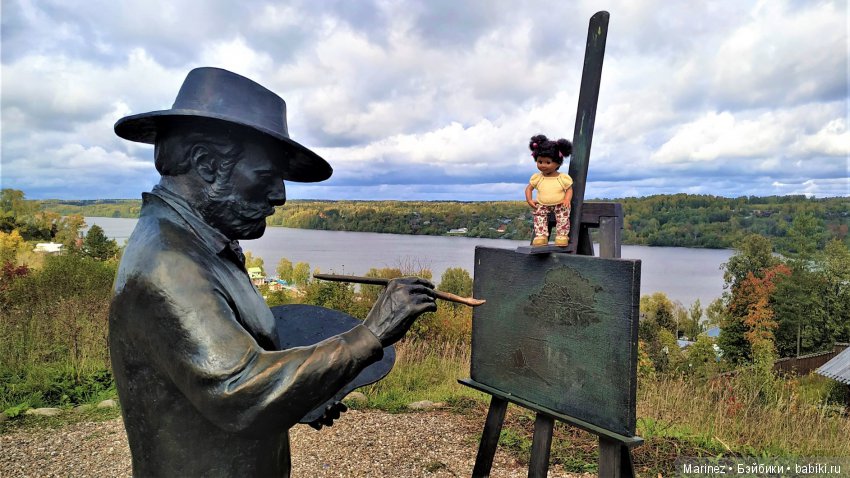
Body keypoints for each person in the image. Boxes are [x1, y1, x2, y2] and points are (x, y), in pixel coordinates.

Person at [109, 67, 437, 477]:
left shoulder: (204, 244)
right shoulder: (171, 263)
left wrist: (304, 394)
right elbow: (242, 392)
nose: (280, 195)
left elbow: (244, 350)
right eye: (266, 176)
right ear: (206, 163)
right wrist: (370, 335)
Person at [524, 134, 574, 247]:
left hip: (560, 204)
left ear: (557, 163)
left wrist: (567, 199)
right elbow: (529, 188)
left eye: (548, 162)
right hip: (542, 204)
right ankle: (541, 236)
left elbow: (569, 189)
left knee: (563, 216)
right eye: (540, 162)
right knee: (539, 216)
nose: (543, 165)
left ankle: (562, 235)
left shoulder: (562, 178)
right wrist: (529, 199)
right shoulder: (538, 177)